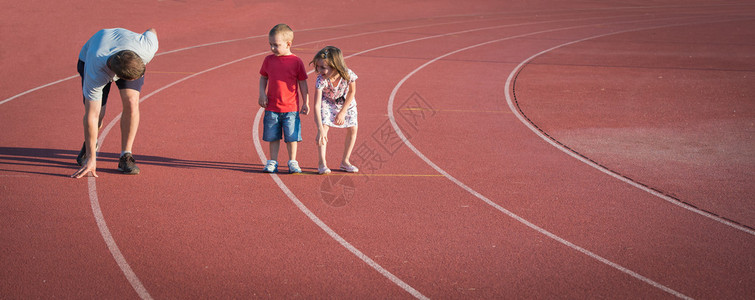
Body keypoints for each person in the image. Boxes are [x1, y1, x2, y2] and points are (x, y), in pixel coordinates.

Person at [72, 28, 159, 178]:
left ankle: (126, 156)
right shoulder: (95, 70)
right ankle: (90, 146)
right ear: (116, 76)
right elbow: (91, 116)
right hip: (89, 57)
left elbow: (152, 30)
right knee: (98, 114)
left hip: (129, 54)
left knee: (132, 102)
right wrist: (92, 159)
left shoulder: (146, 48)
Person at [258, 24, 309, 173]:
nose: (273, 48)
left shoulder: (296, 62)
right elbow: (263, 77)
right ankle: (272, 161)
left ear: (288, 44)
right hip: (272, 107)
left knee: (292, 137)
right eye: (271, 44)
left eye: (276, 45)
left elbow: (303, 83)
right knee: (272, 136)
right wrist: (262, 93)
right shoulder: (268, 60)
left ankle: (292, 161)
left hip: (291, 108)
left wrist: (306, 102)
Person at [310, 46, 359, 175]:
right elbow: (316, 105)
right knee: (324, 129)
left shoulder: (348, 74)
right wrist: (320, 129)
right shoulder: (321, 80)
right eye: (318, 67)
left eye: (323, 67)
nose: (319, 70)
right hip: (327, 102)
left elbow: (352, 92)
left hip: (345, 102)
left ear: (335, 66)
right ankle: (322, 163)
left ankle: (345, 161)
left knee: (353, 128)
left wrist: (343, 112)